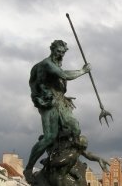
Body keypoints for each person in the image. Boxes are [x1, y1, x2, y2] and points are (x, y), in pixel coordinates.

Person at [25, 40, 92, 175]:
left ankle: (63, 157)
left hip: (60, 101)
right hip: (48, 103)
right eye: (58, 51)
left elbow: (58, 80)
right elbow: (64, 75)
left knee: (75, 128)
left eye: (63, 52)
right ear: (52, 50)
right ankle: (28, 168)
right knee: (49, 137)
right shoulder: (47, 64)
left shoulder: (56, 64)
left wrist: (62, 95)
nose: (60, 54)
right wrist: (83, 71)